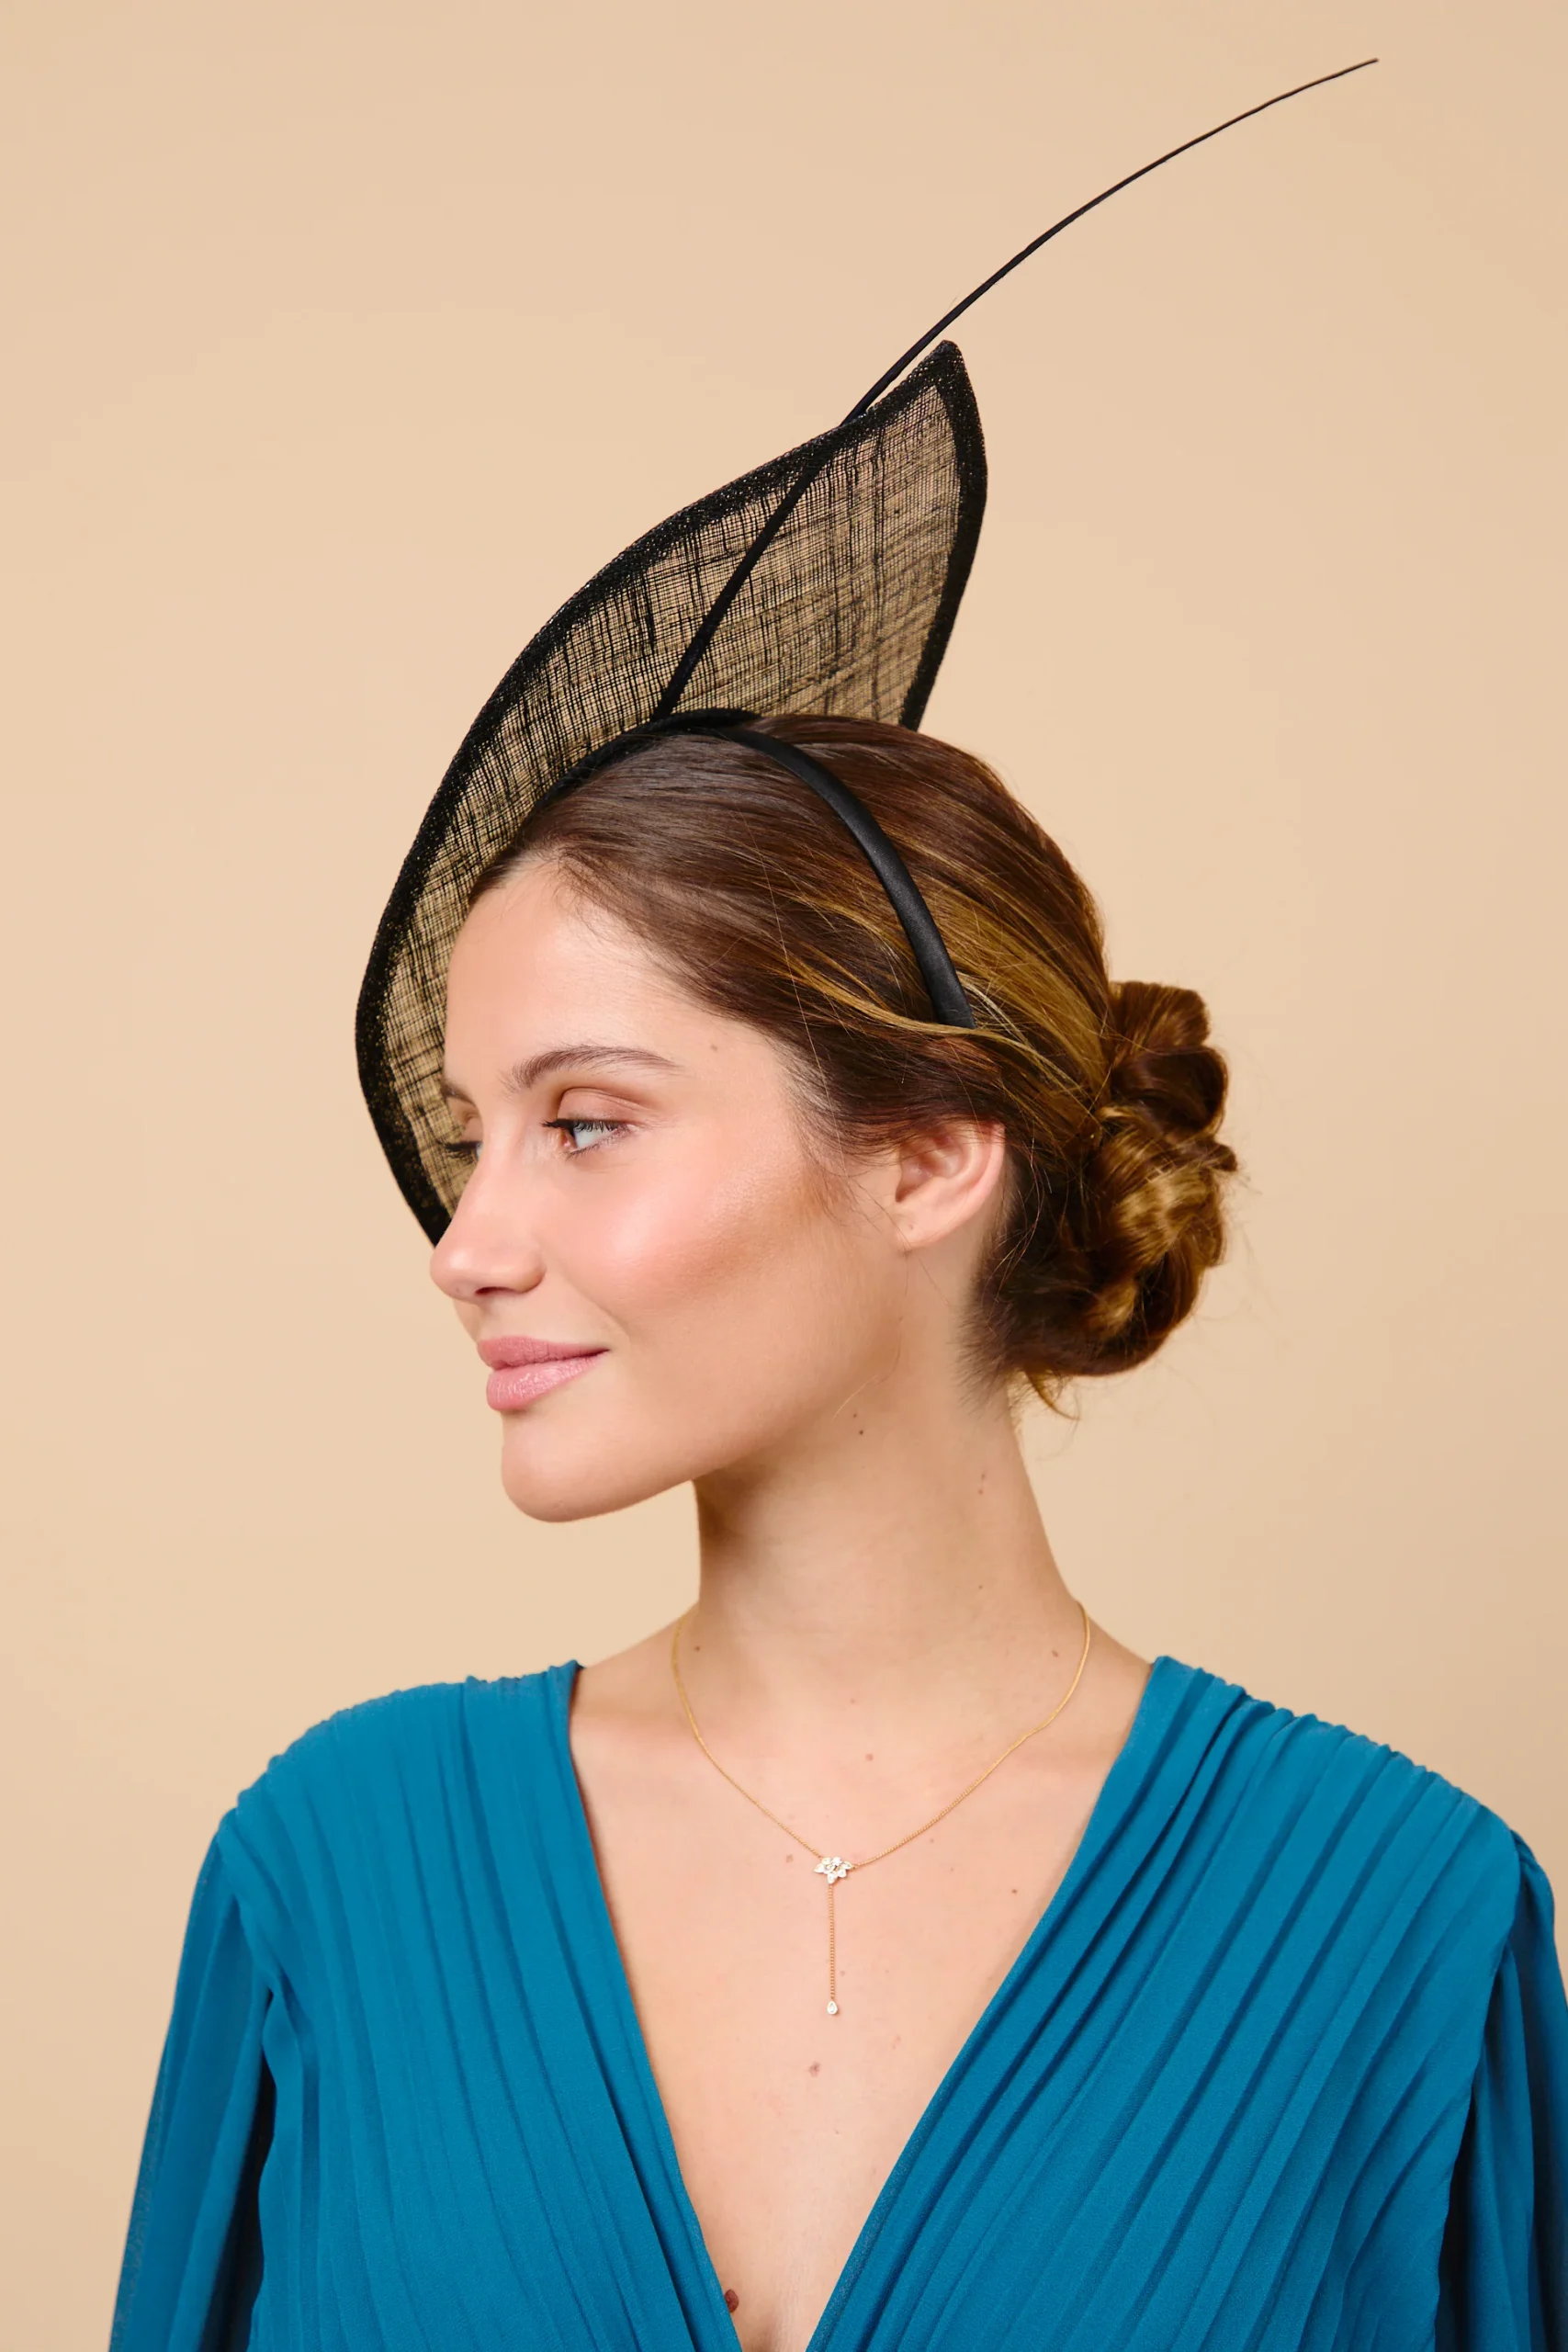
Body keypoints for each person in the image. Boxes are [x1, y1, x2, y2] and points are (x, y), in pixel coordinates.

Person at [109, 76, 1566, 2352]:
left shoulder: (1400, 1919)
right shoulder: (338, 1869)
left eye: (587, 1120)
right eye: (474, 1133)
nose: (467, 1240)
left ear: (922, 1150)